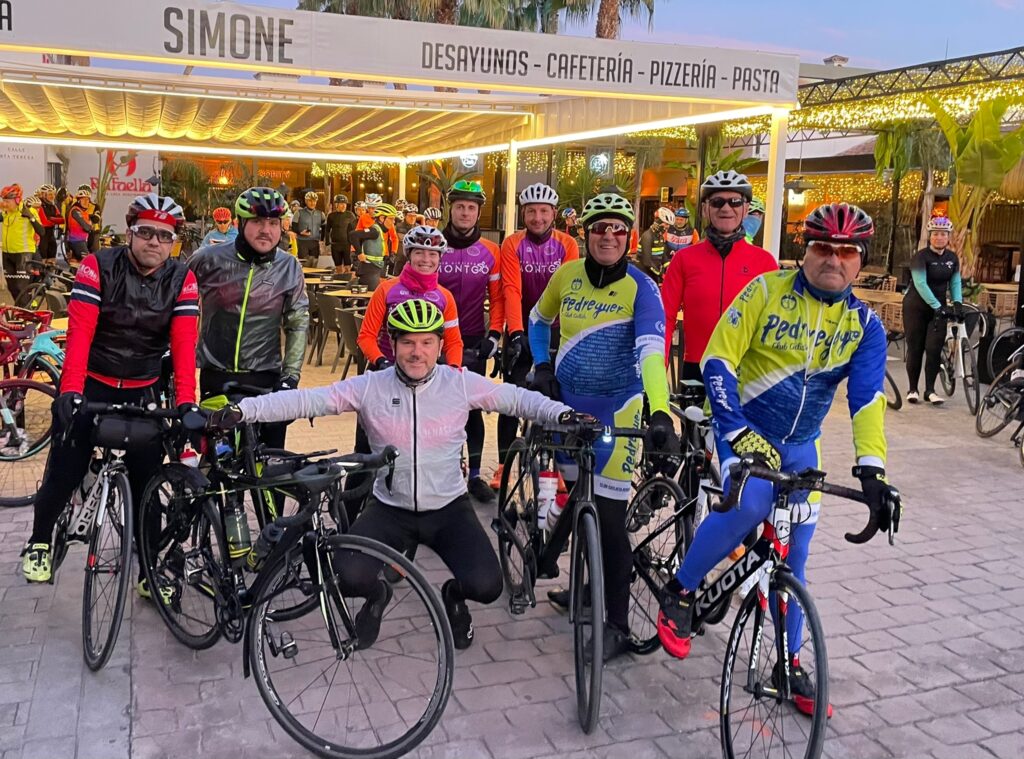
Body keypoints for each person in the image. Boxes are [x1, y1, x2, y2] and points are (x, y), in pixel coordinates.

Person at [211, 298, 590, 649]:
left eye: (426, 342)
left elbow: (517, 399)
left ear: (440, 346)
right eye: (407, 342)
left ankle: (453, 598)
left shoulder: (459, 384)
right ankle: (378, 595)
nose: (417, 352)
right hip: (390, 508)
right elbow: (309, 399)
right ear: (392, 345)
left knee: (487, 585)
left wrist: (563, 415)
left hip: (448, 509)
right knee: (345, 574)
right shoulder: (371, 386)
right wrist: (244, 411)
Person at [656, 203, 897, 718]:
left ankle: (789, 664)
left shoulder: (865, 325)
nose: (833, 260)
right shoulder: (765, 290)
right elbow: (718, 358)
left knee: (797, 555)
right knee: (749, 505)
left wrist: (873, 470)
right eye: (823, 248)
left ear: (861, 261)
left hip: (801, 443)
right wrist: (734, 429)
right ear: (804, 251)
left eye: (846, 252)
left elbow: (867, 400)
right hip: (742, 425)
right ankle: (680, 589)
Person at [21, 193, 200, 585]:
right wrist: (70, 390)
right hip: (92, 382)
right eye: (146, 232)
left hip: (142, 389)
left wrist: (187, 402)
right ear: (130, 233)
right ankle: (39, 541)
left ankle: (149, 572)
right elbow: (80, 333)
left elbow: (184, 346)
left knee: (147, 485)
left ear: (174, 243)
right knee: (66, 469)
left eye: (165, 236)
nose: (155, 242)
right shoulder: (97, 265)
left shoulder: (182, 278)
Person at [530, 192, 678, 661]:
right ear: (585, 234)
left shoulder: (642, 287)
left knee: (610, 518)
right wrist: (541, 364)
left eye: (618, 229)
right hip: (569, 409)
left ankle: (616, 625)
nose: (608, 236)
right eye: (599, 228)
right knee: (580, 500)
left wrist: (659, 411)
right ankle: (582, 586)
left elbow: (652, 353)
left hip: (620, 408)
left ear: (629, 237)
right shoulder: (566, 275)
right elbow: (538, 319)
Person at [188, 187, 309, 449]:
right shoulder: (207, 259)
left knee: (269, 462)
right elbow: (177, 305)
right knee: (217, 460)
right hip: (217, 375)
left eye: (273, 223)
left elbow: (298, 323)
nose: (266, 230)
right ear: (240, 223)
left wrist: (290, 377)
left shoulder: (289, 266)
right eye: (257, 221)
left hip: (266, 378)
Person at [493, 182, 580, 489]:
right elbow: (511, 290)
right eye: (531, 211)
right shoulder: (512, 243)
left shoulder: (567, 244)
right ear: (523, 214)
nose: (537, 218)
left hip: (555, 328)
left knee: (557, 398)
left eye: (544, 211)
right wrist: (517, 332)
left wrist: (565, 332)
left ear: (554, 214)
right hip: (521, 325)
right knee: (512, 398)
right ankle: (502, 466)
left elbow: (569, 291)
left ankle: (560, 466)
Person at [661, 170, 778, 381]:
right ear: (705, 209)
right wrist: (657, 375)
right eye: (717, 202)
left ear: (746, 208)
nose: (726, 208)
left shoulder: (764, 262)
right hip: (696, 368)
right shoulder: (684, 259)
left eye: (735, 202)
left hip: (747, 371)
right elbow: (665, 318)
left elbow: (775, 325)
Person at [437, 181, 505, 502]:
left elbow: (498, 297)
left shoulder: (491, 251)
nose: (465, 212)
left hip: (474, 338)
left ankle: (475, 475)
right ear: (450, 209)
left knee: (472, 408)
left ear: (478, 213)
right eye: (460, 206)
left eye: (471, 207)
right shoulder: (434, 245)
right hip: (435, 339)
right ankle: (443, 471)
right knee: (438, 409)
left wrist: (495, 334)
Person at [357, 225, 462, 370]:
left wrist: (454, 370)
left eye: (432, 254)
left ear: (440, 258)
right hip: (386, 367)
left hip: (424, 370)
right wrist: (381, 361)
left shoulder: (445, 297)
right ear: (409, 255)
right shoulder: (385, 290)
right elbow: (366, 336)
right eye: (419, 252)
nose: (426, 259)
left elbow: (453, 343)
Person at [903, 216, 962, 405]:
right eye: (935, 234)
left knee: (934, 349)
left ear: (948, 237)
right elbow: (920, 283)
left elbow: (955, 282)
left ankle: (930, 390)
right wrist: (937, 306)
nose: (939, 237)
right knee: (916, 348)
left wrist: (958, 303)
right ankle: (913, 389)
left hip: (938, 310)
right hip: (916, 308)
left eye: (943, 234)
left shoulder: (952, 258)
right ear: (930, 236)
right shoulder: (920, 257)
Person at [1, 184, 42, 298]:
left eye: (7, 201)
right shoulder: (5, 213)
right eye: (3, 201)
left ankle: (27, 307)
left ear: (17, 200)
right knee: (12, 287)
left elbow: (41, 231)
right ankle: (24, 307)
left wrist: (30, 217)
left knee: (21, 287)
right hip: (7, 254)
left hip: (23, 253)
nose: (5, 204)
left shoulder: (29, 210)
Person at [349, 202, 399, 290]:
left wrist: (391, 254)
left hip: (375, 267)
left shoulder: (379, 230)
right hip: (369, 270)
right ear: (382, 218)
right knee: (372, 294)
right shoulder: (374, 231)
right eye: (391, 219)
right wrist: (359, 253)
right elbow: (353, 235)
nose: (393, 222)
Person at [638, 206, 674, 282]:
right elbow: (647, 262)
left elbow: (662, 255)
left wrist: (668, 267)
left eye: (669, 225)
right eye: (666, 224)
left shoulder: (660, 236)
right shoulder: (647, 236)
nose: (667, 227)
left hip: (655, 273)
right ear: (658, 222)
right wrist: (660, 274)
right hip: (645, 274)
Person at [324, 194, 356, 275]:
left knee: (348, 267)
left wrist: (354, 243)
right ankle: (339, 281)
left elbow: (354, 231)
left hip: (347, 245)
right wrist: (327, 242)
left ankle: (347, 281)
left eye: (345, 204)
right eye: (341, 204)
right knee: (338, 267)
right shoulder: (331, 216)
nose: (344, 206)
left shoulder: (350, 215)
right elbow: (327, 230)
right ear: (336, 205)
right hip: (335, 245)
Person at [293, 191, 326, 266]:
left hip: (315, 242)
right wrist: (300, 232)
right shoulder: (298, 213)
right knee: (304, 264)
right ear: (306, 201)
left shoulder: (321, 214)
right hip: (302, 242)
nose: (312, 203)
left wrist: (322, 240)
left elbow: (324, 228)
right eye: (310, 201)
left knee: (314, 264)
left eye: (314, 201)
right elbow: (294, 226)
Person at [65, 187, 96, 264]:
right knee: (88, 262)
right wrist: (90, 227)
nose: (86, 202)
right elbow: (86, 227)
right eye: (84, 199)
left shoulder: (83, 212)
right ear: (78, 200)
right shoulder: (75, 211)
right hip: (77, 242)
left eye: (88, 200)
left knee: (77, 264)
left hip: (80, 241)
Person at [35, 184, 64, 264]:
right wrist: (54, 219)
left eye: (53, 194)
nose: (52, 196)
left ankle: (50, 269)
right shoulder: (39, 205)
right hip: (42, 233)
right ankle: (41, 268)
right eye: (50, 194)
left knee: (52, 250)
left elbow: (62, 219)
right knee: (43, 252)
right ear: (44, 195)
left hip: (51, 232)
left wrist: (52, 219)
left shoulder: (53, 206)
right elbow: (45, 221)